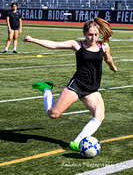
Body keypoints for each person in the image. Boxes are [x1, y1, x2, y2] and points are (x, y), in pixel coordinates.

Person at [23, 17, 117, 151]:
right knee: (53, 114)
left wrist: (112, 67)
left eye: (96, 35)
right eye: (90, 34)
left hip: (92, 90)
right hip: (77, 86)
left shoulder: (104, 46)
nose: (93, 37)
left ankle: (77, 142)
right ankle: (47, 89)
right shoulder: (77, 45)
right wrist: (33, 40)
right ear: (84, 33)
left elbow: (108, 58)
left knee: (99, 116)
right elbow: (54, 45)